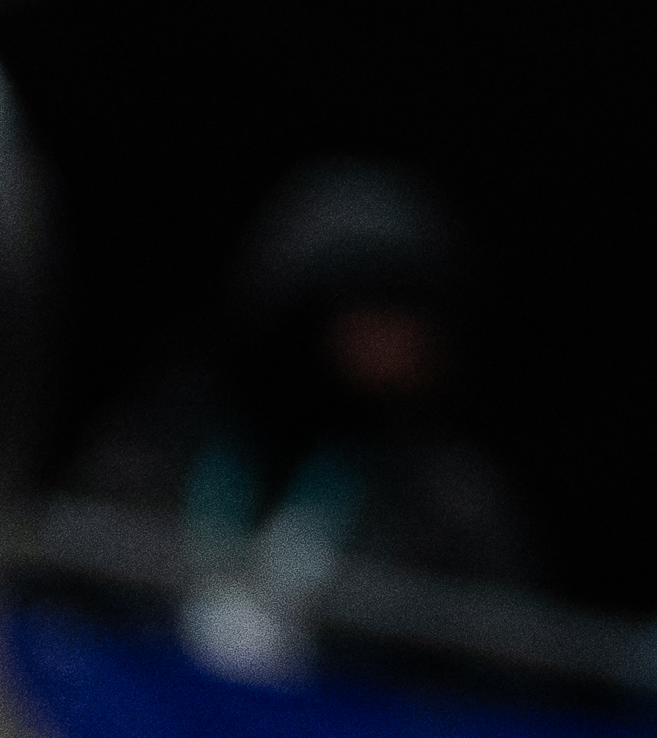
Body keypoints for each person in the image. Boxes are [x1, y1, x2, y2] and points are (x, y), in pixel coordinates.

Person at [65, 162, 540, 596]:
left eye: (417, 319)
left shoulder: (449, 511)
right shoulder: (154, 454)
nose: (404, 343)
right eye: (378, 311)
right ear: (301, 310)